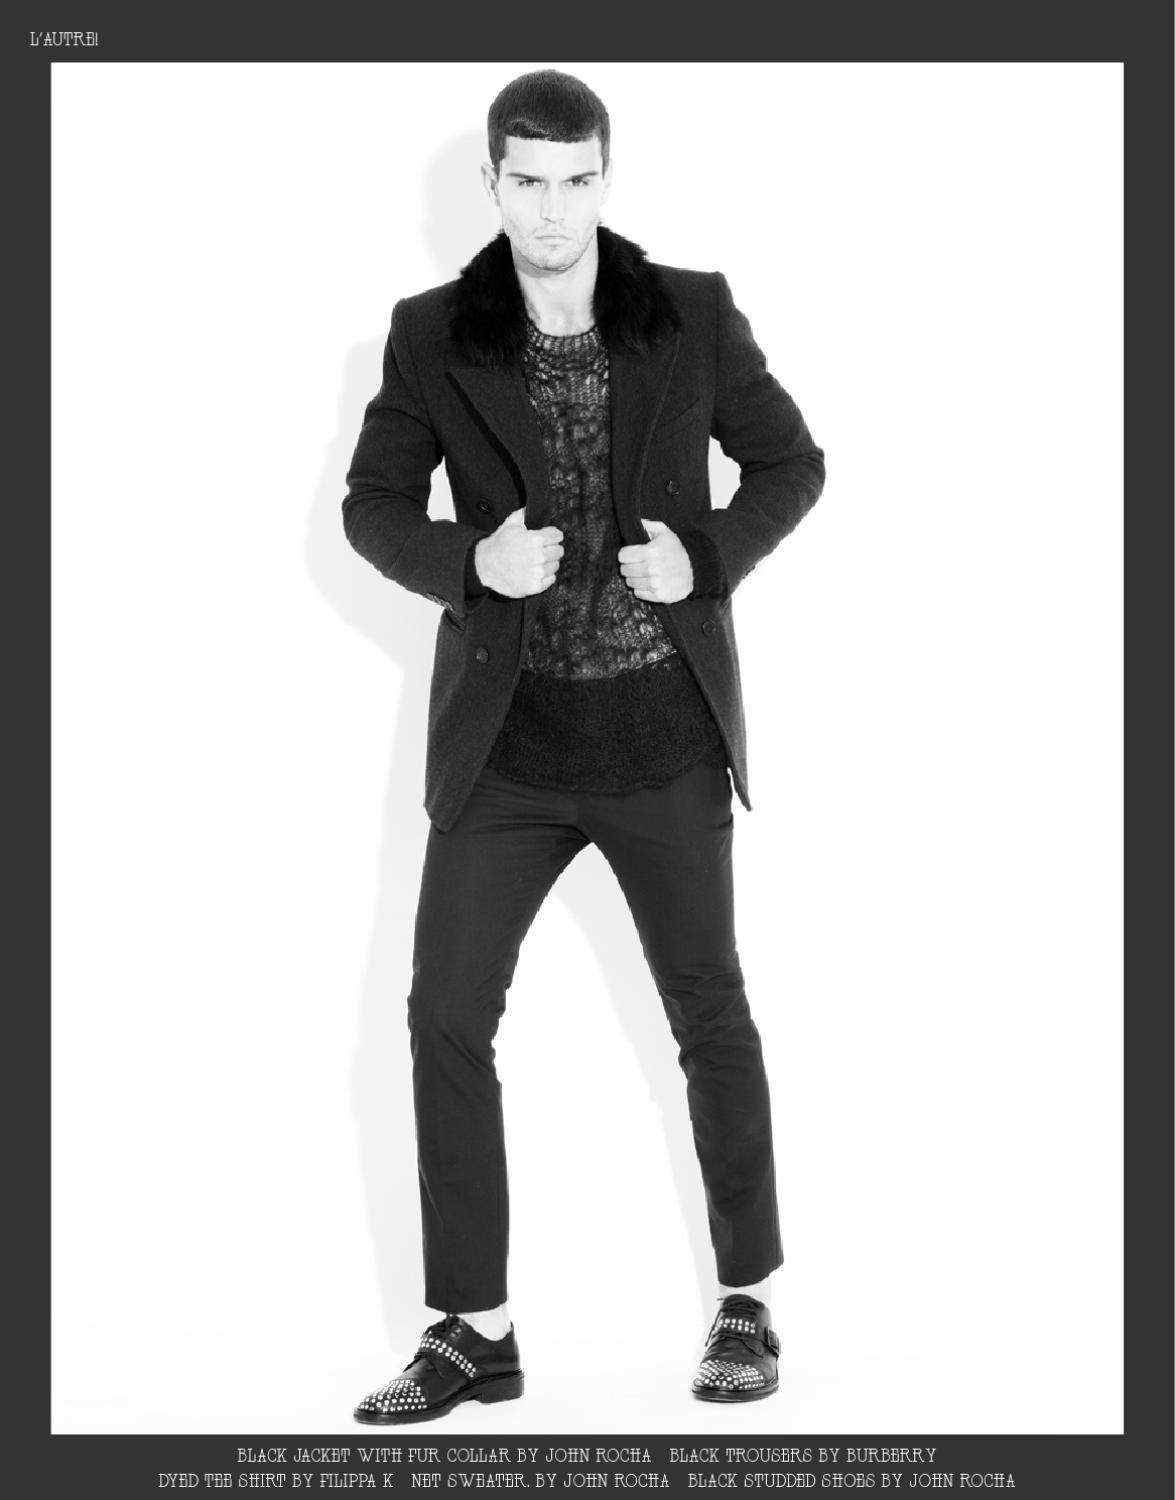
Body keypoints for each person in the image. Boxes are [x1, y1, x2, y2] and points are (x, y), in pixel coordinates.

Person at [342, 68, 825, 1424]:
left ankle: (747, 1302)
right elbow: (371, 506)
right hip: (508, 750)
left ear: (606, 180)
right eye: (528, 182)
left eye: (577, 180)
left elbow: (794, 464)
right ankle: (472, 1333)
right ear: (491, 186)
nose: (553, 210)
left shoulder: (692, 311)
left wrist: (708, 556)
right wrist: (469, 562)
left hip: (663, 736)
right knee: (444, 1015)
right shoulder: (430, 334)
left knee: (708, 1010)